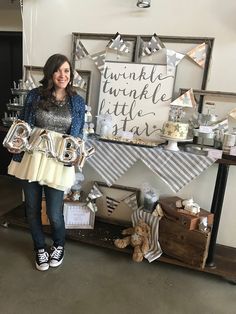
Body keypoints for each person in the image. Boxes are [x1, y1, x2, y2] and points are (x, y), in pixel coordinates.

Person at [7, 54, 85, 271]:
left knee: (54, 212)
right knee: (32, 208)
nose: (63, 75)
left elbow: (79, 134)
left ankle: (59, 245)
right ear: (50, 72)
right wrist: (15, 143)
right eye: (58, 70)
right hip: (33, 157)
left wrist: (77, 153)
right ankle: (40, 248)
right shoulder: (34, 95)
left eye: (67, 71)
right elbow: (24, 125)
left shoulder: (77, 101)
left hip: (58, 160)